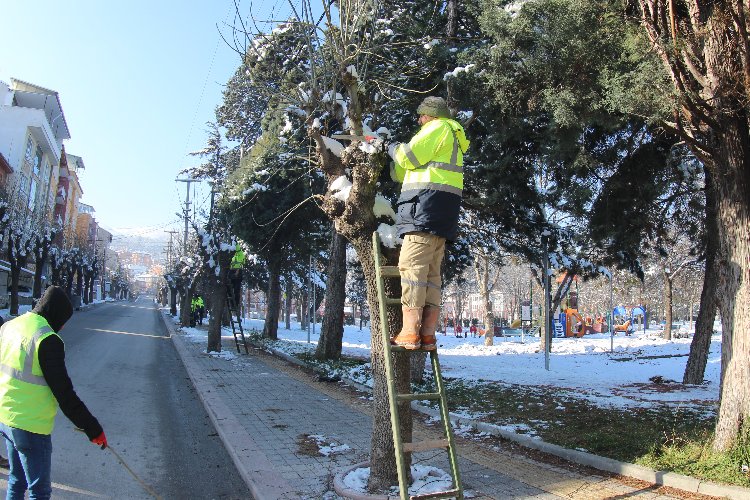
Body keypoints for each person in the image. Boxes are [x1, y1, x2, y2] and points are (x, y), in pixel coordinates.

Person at [0, 286, 106, 499]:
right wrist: (93, 429)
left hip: (6, 418)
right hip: (31, 426)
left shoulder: (10, 326)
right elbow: (64, 394)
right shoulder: (46, 339)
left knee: (16, 481)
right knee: (39, 491)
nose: (64, 326)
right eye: (64, 320)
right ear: (55, 313)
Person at [388, 96, 470, 351]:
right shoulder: (452, 138)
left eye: (421, 116)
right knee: (431, 275)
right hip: (441, 214)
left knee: (411, 269)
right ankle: (427, 334)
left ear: (430, 115)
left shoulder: (438, 128)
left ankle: (410, 332)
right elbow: (404, 170)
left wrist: (390, 147)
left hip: (423, 210)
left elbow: (408, 157)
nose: (419, 121)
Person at [229, 244, 246, 310]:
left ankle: (235, 304)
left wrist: (237, 271)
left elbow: (241, 263)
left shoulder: (240, 254)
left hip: (238, 272)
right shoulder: (233, 253)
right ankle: (232, 304)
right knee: (232, 288)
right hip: (233, 271)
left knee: (236, 289)